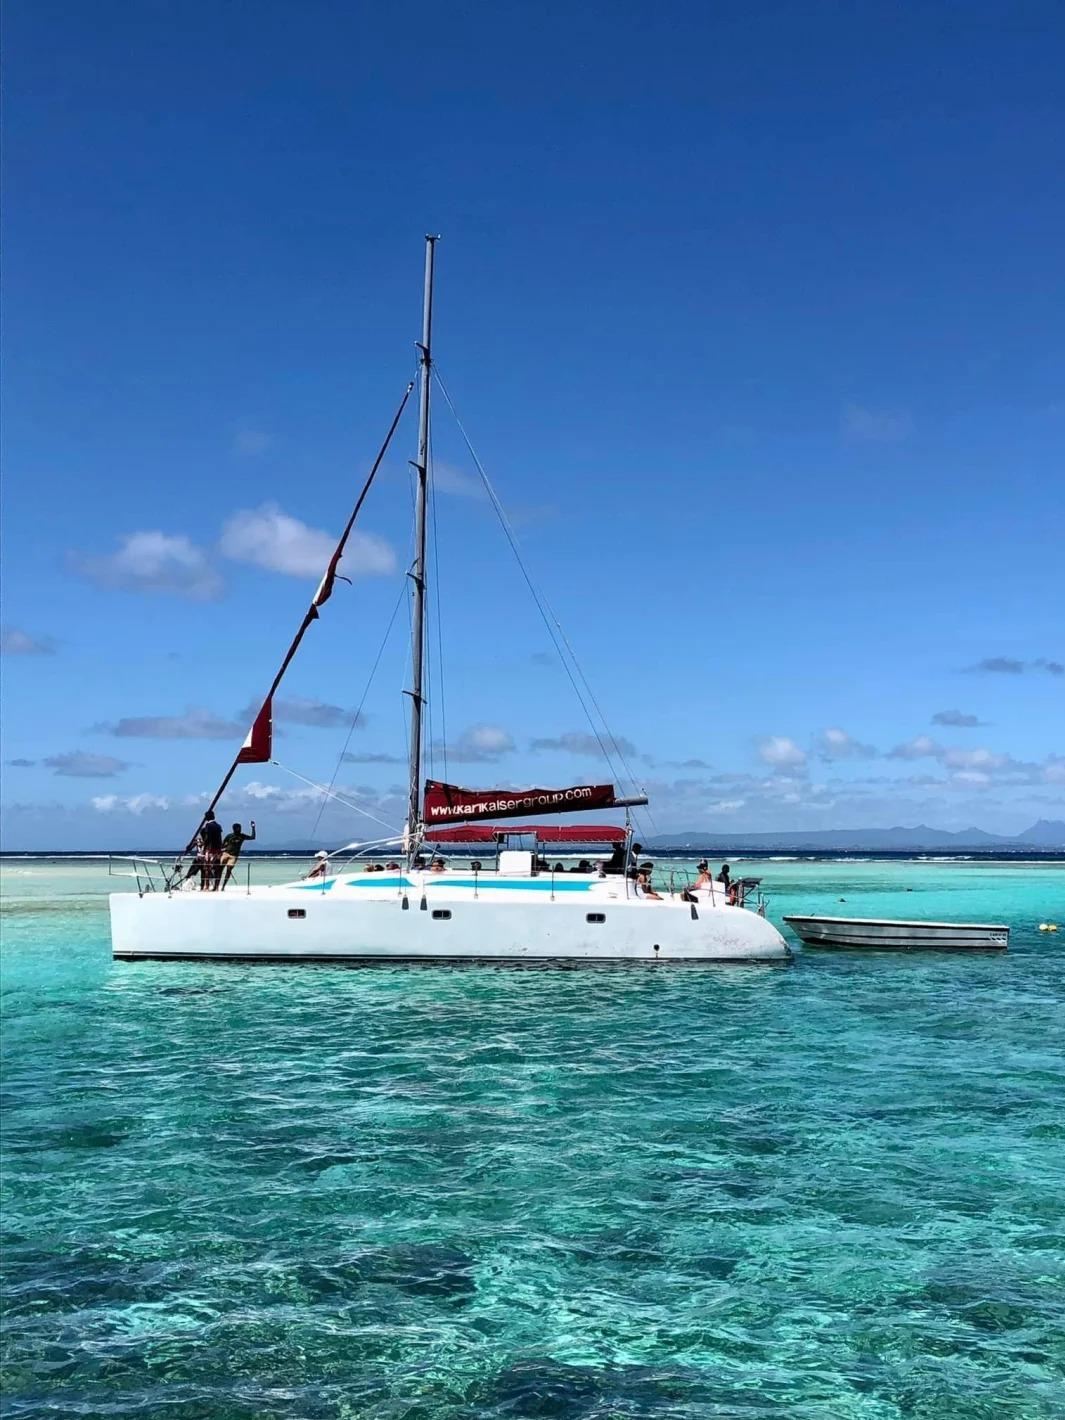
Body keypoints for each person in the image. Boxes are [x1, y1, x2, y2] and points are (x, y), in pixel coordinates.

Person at [218, 820, 256, 890]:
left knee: (228, 871)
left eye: (240, 828)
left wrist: (253, 827)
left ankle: (223, 886)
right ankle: (216, 885)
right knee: (220, 869)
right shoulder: (229, 836)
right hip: (226, 853)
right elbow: (223, 844)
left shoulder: (242, 836)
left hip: (233, 856)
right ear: (234, 829)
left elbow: (252, 837)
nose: (239, 830)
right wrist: (221, 850)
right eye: (238, 829)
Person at [199, 810, 223, 890]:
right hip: (218, 850)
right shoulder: (218, 826)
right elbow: (220, 839)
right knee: (217, 868)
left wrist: (204, 848)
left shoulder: (208, 826)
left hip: (210, 849)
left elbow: (207, 838)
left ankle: (207, 886)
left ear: (206, 818)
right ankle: (216, 886)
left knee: (207, 868)